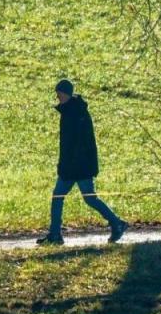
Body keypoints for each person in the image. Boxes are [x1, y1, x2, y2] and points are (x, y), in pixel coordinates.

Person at [37, 79, 129, 245]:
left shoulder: (75, 114)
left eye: (59, 93)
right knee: (85, 198)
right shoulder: (73, 111)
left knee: (65, 197)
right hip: (77, 166)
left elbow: (77, 144)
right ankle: (116, 223)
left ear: (65, 93)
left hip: (77, 167)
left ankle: (57, 234)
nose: (57, 97)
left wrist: (67, 166)